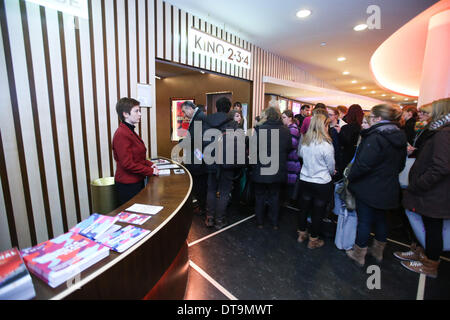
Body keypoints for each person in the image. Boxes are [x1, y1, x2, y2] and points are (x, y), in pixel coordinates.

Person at [345, 104, 407, 267]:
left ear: (378, 119)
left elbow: (363, 164)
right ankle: (378, 252)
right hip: (389, 187)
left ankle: (359, 255)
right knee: (381, 221)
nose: (369, 120)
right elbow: (400, 165)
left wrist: (351, 177)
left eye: (371, 117)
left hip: (369, 187)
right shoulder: (400, 137)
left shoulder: (375, 137)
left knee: (364, 221)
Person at [398, 98, 450, 278]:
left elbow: (441, 166)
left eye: (428, 112)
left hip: (434, 192)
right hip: (432, 191)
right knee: (426, 226)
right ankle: (420, 252)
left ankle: (429, 264)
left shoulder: (443, 133)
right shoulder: (437, 131)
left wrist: (420, 183)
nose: (423, 115)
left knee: (432, 228)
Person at [296, 114, 335, 249]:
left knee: (304, 208)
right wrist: (330, 172)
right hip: (321, 182)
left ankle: (301, 234)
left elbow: (300, 155)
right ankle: (313, 240)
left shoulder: (306, 142)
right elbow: (331, 167)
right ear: (323, 126)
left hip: (305, 180)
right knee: (318, 212)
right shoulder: (326, 145)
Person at [112, 98, 159, 206]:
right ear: (125, 114)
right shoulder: (122, 134)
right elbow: (127, 164)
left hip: (136, 181)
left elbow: (138, 158)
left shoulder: (129, 130)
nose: (140, 114)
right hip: (128, 185)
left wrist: (151, 164)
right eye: (136, 111)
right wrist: (150, 171)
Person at [251, 105, 291, 229]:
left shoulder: (259, 129)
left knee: (260, 196)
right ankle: (274, 223)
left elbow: (253, 150)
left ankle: (260, 222)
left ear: (266, 116)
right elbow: (289, 148)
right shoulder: (285, 130)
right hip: (277, 169)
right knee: (275, 196)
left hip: (261, 169)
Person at [204, 97, 240, 229]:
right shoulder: (232, 123)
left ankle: (209, 218)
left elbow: (202, 142)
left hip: (211, 161)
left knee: (211, 189)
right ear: (229, 108)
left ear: (216, 107)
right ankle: (219, 221)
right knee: (224, 192)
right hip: (227, 162)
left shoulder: (206, 121)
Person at [180, 101, 208, 216]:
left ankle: (203, 207)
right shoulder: (199, 116)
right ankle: (202, 206)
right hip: (198, 156)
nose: (184, 115)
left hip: (198, 158)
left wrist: (181, 142)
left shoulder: (199, 118)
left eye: (184, 111)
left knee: (199, 184)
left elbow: (195, 140)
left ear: (190, 108)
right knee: (199, 184)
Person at [281, 110, 301, 201]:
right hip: (290, 159)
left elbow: (292, 144)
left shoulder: (292, 129)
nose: (282, 119)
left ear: (290, 118)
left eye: (284, 117)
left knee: (289, 186)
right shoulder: (288, 128)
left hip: (291, 159)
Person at [339, 104, 364, 170]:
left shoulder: (345, 128)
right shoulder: (363, 128)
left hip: (346, 156)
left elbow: (342, 142)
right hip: (359, 156)